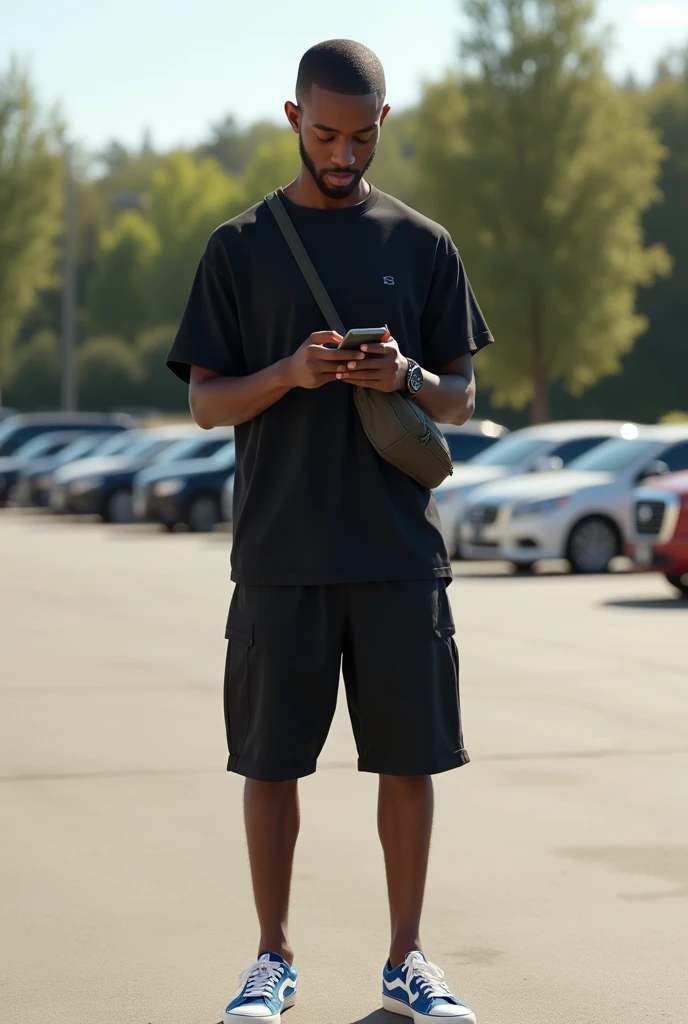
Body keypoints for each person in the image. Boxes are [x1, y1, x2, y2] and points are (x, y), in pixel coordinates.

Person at [167, 38, 493, 1024]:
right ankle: (270, 958)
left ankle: (407, 959)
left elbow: (461, 398)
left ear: (383, 123)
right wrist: (289, 373)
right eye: (324, 135)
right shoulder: (239, 246)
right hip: (280, 555)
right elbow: (206, 404)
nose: (342, 154)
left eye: (360, 136)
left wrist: (405, 379)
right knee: (268, 765)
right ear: (292, 118)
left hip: (397, 557)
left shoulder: (423, 245)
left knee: (412, 759)